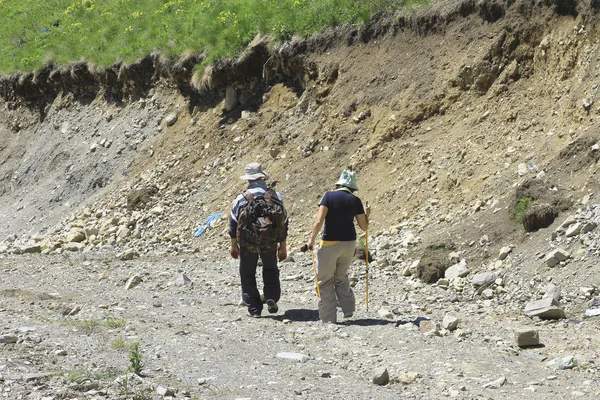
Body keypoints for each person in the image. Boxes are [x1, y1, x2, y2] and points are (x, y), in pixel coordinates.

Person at [306, 169, 370, 323]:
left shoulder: (328, 196)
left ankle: (329, 318)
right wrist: (367, 214)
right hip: (349, 244)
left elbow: (319, 221)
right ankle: (348, 309)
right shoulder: (356, 200)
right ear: (352, 187)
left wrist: (311, 240)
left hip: (330, 243)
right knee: (340, 277)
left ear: (339, 183)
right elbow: (364, 227)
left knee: (325, 281)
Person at [229, 163, 288, 317]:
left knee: (247, 273)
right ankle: (271, 296)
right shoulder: (275, 197)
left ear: (248, 180)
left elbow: (233, 224)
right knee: (271, 270)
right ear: (262, 177)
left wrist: (233, 246)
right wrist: (283, 246)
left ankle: (254, 309)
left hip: (247, 244)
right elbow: (284, 222)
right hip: (270, 242)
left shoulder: (241, 199)